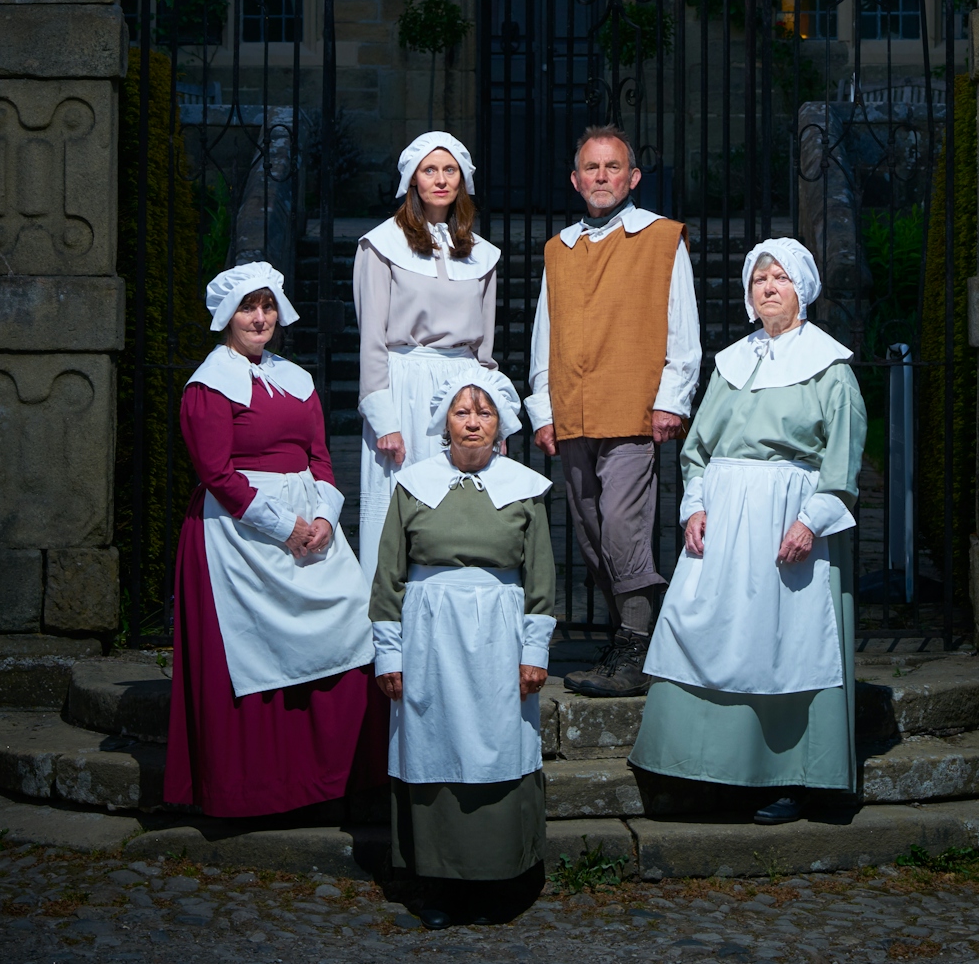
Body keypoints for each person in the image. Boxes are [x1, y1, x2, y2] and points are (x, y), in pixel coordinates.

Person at [629, 236, 866, 823]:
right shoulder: (732, 363)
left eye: (780, 278)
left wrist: (812, 521)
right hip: (726, 521)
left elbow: (843, 456)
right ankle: (698, 769)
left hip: (788, 522)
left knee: (785, 648)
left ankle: (791, 775)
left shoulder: (830, 368)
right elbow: (698, 449)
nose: (768, 288)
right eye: (759, 279)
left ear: (802, 290)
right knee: (706, 632)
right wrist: (695, 507)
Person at [165, 261, 382, 818]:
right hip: (239, 538)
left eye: (266, 307)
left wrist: (326, 521)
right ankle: (257, 792)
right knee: (252, 655)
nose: (259, 318)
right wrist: (286, 527)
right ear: (226, 317)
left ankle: (343, 778)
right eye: (247, 308)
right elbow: (216, 473)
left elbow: (320, 458)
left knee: (356, 629)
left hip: (314, 531)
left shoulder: (296, 379)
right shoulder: (208, 387)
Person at [370, 368, 555, 929]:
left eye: (484, 413)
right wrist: (390, 655)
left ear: (500, 424)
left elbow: (541, 579)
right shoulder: (414, 487)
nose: (473, 423)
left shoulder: (524, 490)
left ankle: (500, 878)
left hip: (499, 642)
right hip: (429, 640)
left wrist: (534, 651)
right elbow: (388, 578)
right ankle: (440, 885)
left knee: (498, 745)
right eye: (461, 412)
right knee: (434, 747)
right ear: (444, 422)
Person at [524, 124, 700, 696]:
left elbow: (683, 329)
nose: (602, 177)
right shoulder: (559, 248)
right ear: (576, 180)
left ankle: (636, 648)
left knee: (624, 526)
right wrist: (541, 408)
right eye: (592, 169)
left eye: (613, 167)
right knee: (590, 530)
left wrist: (672, 399)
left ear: (633, 177)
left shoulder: (661, 238)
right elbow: (543, 335)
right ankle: (636, 636)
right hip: (573, 409)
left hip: (632, 407)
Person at [354, 132, 501, 578]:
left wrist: (490, 411)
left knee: (458, 503)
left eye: (449, 169)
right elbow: (372, 339)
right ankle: (387, 626)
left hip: (461, 390)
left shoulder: (482, 255)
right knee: (397, 505)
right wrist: (384, 418)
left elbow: (485, 351)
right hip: (402, 388)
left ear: (463, 180)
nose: (440, 179)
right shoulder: (380, 246)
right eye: (429, 170)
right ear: (412, 180)